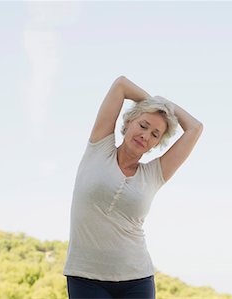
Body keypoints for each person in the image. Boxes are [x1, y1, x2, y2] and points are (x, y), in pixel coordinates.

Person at [63, 75, 203, 299]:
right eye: (143, 125)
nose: (145, 135)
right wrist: (155, 104)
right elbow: (121, 85)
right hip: (85, 276)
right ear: (128, 122)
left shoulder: (154, 173)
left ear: (157, 143)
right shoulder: (99, 148)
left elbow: (195, 128)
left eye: (155, 134)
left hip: (137, 280)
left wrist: (166, 109)